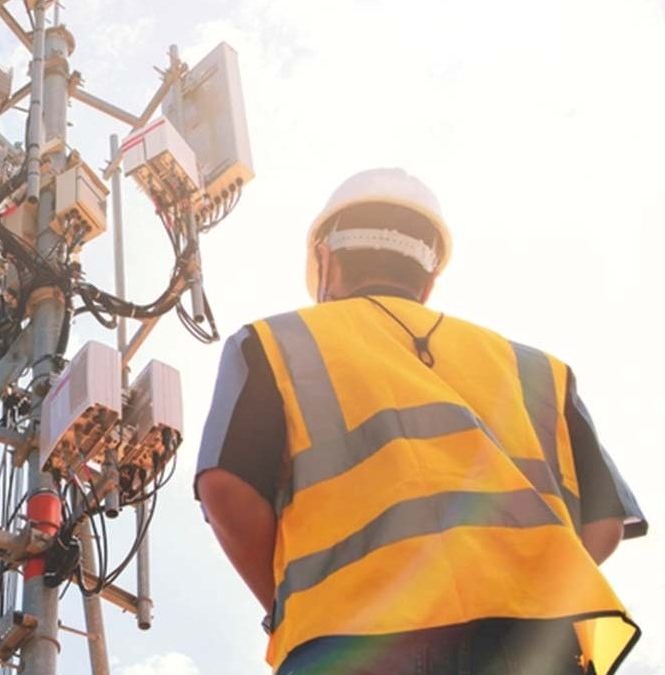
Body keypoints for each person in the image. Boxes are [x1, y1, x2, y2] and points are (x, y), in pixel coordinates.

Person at [194, 168, 647, 675]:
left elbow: (227, 486)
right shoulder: (539, 369)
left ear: (326, 258)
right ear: (429, 277)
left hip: (350, 642)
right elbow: (605, 521)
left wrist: (289, 609)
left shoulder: (273, 342)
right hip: (530, 647)